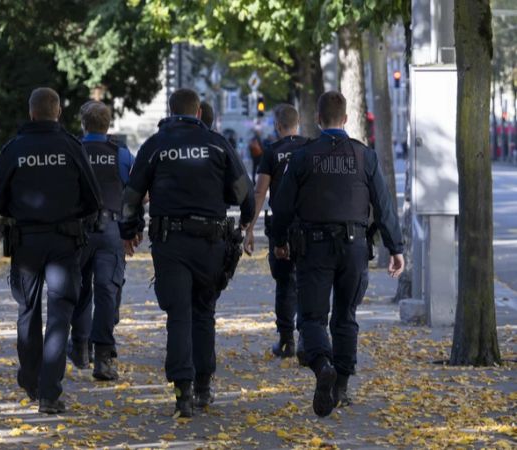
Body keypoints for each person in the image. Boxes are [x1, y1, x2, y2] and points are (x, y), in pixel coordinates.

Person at [121, 88, 254, 417]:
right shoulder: (217, 144)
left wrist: (130, 230)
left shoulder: (156, 145)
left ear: (171, 110)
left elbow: (132, 194)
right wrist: (246, 219)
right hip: (211, 242)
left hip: (170, 242)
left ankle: (182, 391)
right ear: (198, 113)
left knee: (178, 314)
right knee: (203, 312)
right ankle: (204, 386)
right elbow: (244, 193)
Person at [271, 91, 405, 418]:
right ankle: (341, 386)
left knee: (312, 317)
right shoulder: (364, 156)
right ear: (345, 119)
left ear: (318, 120)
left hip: (314, 247)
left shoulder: (303, 156)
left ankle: (322, 366)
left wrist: (279, 240)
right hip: (354, 246)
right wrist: (396, 247)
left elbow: (282, 205)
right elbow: (384, 206)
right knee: (346, 316)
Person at [0, 87, 102, 414]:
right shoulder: (71, 147)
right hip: (64, 243)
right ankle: (50, 393)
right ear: (58, 113)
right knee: (59, 317)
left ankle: (30, 379)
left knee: (27, 311)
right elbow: (93, 198)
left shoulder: (13, 149)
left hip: (26, 242)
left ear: (31, 113)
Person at [67, 101, 134, 381]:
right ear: (108, 125)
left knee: (79, 288)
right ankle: (103, 358)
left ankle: (81, 348)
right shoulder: (120, 154)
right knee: (107, 291)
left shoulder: (74, 151)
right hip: (110, 229)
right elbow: (132, 194)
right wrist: (131, 230)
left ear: (84, 124)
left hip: (78, 230)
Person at [243, 104, 311, 361]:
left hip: (280, 225)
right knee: (307, 282)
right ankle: (308, 337)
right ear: (298, 124)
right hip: (308, 226)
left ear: (277, 125)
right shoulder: (310, 147)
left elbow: (260, 192)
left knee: (285, 283)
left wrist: (249, 229)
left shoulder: (271, 152)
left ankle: (286, 340)